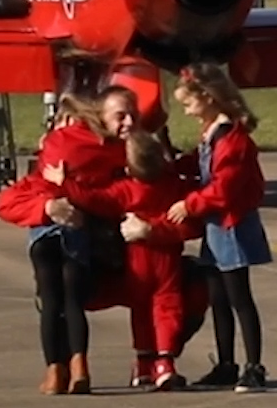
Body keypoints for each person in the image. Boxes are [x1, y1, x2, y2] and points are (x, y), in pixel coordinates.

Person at [0, 89, 133, 394]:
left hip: (44, 233)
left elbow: (7, 201)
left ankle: (54, 371)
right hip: (76, 231)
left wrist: (44, 206)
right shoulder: (112, 150)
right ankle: (80, 364)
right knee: (73, 301)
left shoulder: (56, 144)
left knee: (49, 300)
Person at [50, 127, 196, 391]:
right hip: (167, 257)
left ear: (128, 169)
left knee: (140, 309)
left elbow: (94, 199)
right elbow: (193, 212)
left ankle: (143, 361)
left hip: (136, 258)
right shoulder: (174, 186)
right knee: (168, 306)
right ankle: (164, 360)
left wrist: (65, 182)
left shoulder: (126, 190)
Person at [166, 62, 271, 392]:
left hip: (232, 225)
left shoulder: (233, 140)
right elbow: (199, 163)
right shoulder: (213, 134)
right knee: (218, 297)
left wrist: (189, 204)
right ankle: (227, 363)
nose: (187, 111)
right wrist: (171, 162)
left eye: (189, 103)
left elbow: (224, 188)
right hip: (216, 227)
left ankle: (255, 366)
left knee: (240, 297)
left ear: (208, 98)